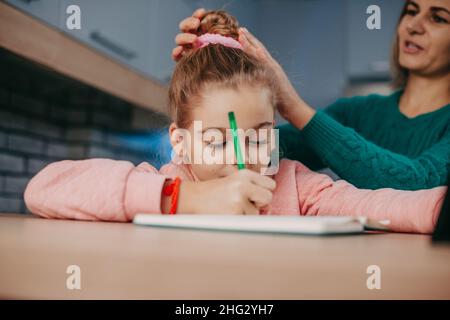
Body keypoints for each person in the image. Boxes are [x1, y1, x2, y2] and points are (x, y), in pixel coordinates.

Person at [24, 11, 447, 234]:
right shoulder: (171, 178)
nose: (242, 157)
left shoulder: (294, 185)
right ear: (181, 142)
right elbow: (45, 188)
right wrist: (182, 199)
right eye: (217, 140)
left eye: (260, 136)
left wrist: (437, 208)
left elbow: (371, 204)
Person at [173, 1, 450, 190]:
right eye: (411, 11)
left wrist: (292, 105)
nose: (413, 25)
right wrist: (213, 71)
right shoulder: (357, 112)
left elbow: (420, 184)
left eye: (437, 18)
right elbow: (265, 152)